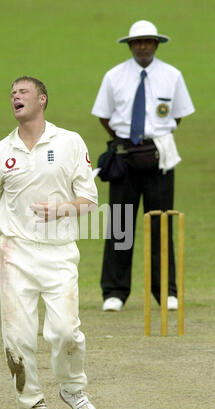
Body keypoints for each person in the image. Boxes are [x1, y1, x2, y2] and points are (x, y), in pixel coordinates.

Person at [0, 76, 99, 409]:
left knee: (65, 332)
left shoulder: (69, 142)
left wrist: (63, 208)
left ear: (42, 99)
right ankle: (34, 406)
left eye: (22, 92)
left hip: (58, 253)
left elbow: (89, 201)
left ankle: (72, 388)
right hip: (15, 251)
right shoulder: (1, 150)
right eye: (11, 93)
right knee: (18, 337)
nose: (14, 97)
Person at [91, 20, 195, 312]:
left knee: (161, 223)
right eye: (137, 42)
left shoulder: (172, 76)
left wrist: (151, 139)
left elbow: (178, 116)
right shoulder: (114, 76)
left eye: (148, 42)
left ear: (156, 44)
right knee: (121, 225)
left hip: (160, 155)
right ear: (130, 45)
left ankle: (166, 292)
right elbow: (103, 115)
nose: (143, 47)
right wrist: (128, 141)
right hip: (124, 156)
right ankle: (115, 292)